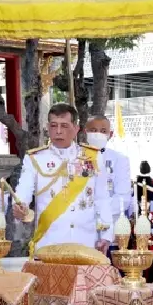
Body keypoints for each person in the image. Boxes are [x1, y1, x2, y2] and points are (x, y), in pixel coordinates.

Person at [12, 103, 116, 256]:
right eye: (54, 126)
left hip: (86, 243)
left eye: (64, 126)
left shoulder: (93, 157)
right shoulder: (35, 158)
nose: (58, 131)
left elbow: (102, 199)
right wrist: (19, 206)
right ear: (47, 127)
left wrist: (106, 236)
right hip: (50, 243)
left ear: (76, 128)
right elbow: (23, 191)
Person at [84, 115, 134, 218]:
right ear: (86, 132)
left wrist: (98, 211)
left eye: (103, 131)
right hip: (80, 221)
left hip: (109, 220)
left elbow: (123, 198)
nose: (98, 134)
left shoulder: (120, 159)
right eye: (93, 130)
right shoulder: (75, 158)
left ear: (110, 134)